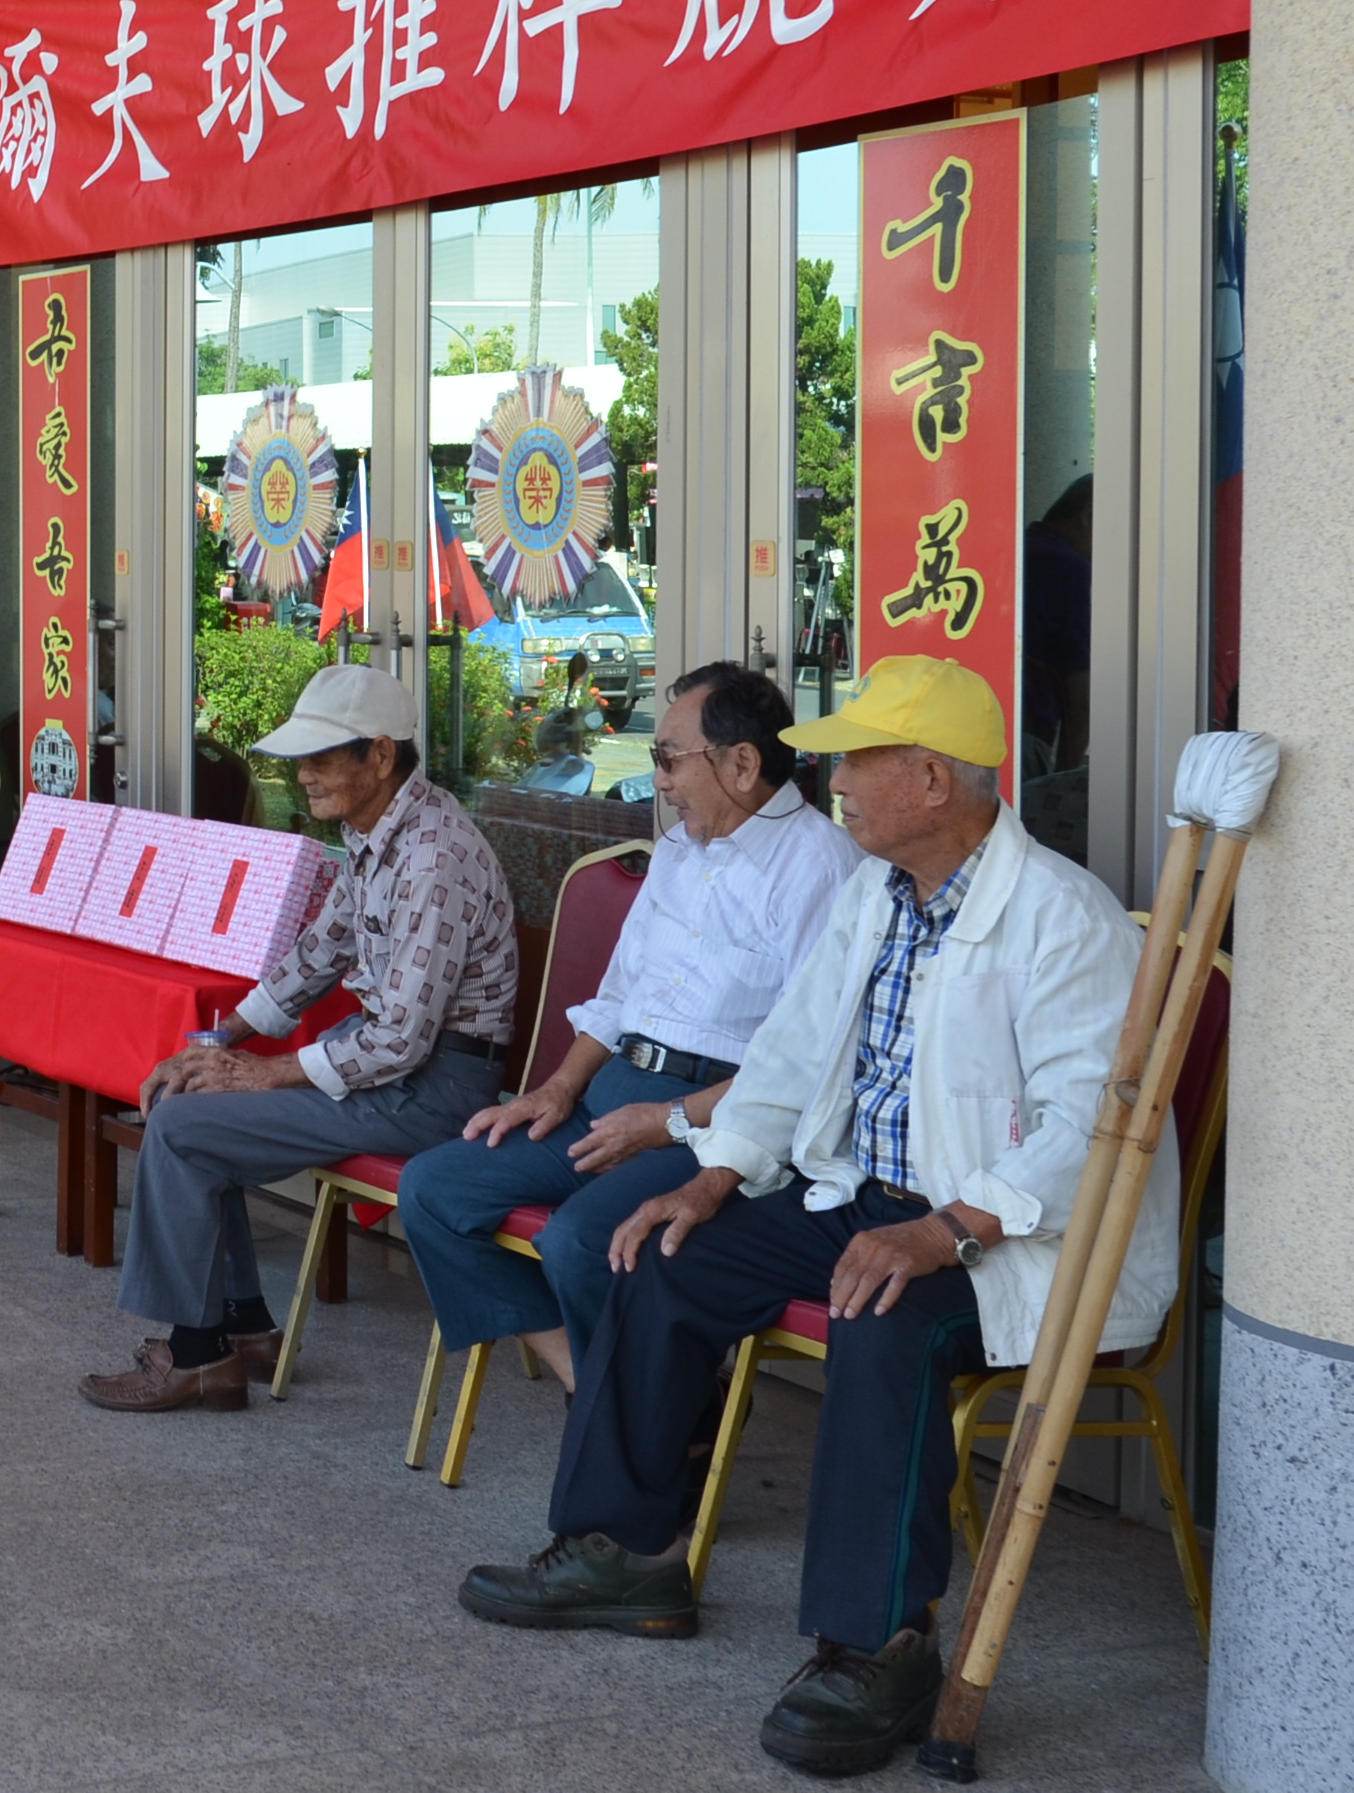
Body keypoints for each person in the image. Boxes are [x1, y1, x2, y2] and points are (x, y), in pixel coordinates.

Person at [460, 656, 1167, 1779]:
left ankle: (877, 1643)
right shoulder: (876, 894)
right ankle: (629, 1551)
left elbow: (1085, 1128)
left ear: (931, 779)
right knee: (666, 1254)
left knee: (883, 1319)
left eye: (857, 760)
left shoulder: (1064, 920)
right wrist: (713, 1174)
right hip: (862, 1195)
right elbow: (790, 1057)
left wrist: (944, 1230)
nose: (832, 779)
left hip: (1003, 1234)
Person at [396, 664, 857, 1390]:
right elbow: (617, 999)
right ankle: (592, 1384)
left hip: (717, 1115)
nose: (661, 780)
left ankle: (642, 1422)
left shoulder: (821, 867)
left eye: (669, 757)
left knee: (585, 1241)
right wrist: (552, 1091)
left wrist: (669, 1120)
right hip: (611, 1092)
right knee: (435, 1186)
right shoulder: (679, 848)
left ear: (741, 762)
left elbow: (807, 1060)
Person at [82, 660, 518, 1415]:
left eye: (322, 758)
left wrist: (263, 1074)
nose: (303, 776)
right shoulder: (377, 830)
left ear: (380, 755)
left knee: (188, 1127)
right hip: (401, 1070)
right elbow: (320, 952)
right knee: (196, 1101)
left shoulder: (433, 855)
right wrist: (222, 1046)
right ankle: (240, 1331)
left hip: (436, 1090)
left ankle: (196, 1355)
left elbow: (400, 1044)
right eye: (300, 760)